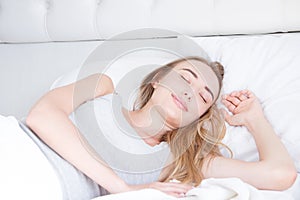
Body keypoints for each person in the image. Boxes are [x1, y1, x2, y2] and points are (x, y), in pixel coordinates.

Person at [25, 56, 297, 198]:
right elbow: (41, 115)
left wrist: (254, 118)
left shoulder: (178, 162)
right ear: (158, 78)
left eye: (203, 96)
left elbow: (280, 175)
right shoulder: (102, 86)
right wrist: (121, 188)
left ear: (200, 116)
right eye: (184, 78)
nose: (190, 92)